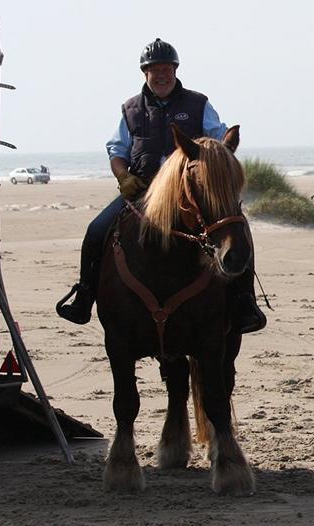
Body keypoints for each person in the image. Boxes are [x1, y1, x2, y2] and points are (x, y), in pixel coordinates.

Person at [55, 38, 267, 333]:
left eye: (167, 68)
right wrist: (123, 178)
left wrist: (215, 173)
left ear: (176, 70)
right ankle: (85, 297)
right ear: (145, 73)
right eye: (155, 70)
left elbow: (219, 141)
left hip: (189, 196)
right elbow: (117, 151)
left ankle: (244, 301)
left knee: (237, 228)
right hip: (142, 193)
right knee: (96, 231)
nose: (162, 74)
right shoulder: (131, 109)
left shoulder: (198, 103)